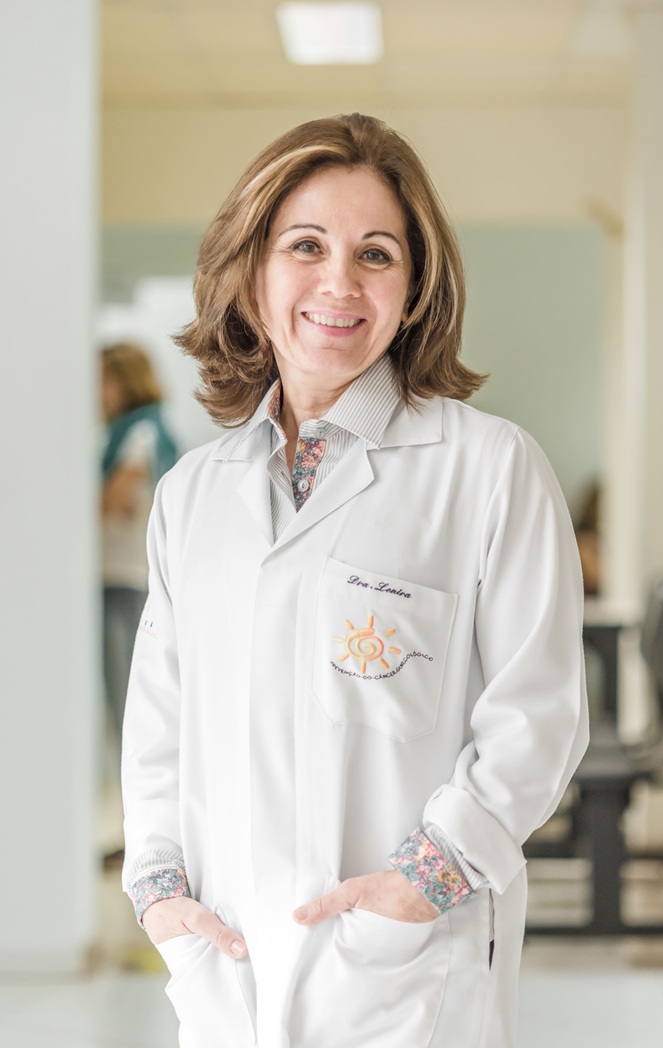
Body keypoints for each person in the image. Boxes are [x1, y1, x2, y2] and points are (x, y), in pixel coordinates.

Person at [121, 114, 588, 1048]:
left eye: (376, 254)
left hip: (406, 970)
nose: (339, 282)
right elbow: (160, 725)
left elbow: (538, 716)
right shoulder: (191, 494)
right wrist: (162, 897)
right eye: (306, 246)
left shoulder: (489, 468)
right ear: (252, 272)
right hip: (229, 963)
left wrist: (425, 880)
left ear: (413, 291)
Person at [101, 342, 179, 756]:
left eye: (104, 380)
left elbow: (113, 501)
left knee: (126, 695)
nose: (98, 392)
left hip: (128, 577)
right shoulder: (124, 433)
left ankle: (132, 787)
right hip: (122, 574)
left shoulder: (140, 433)